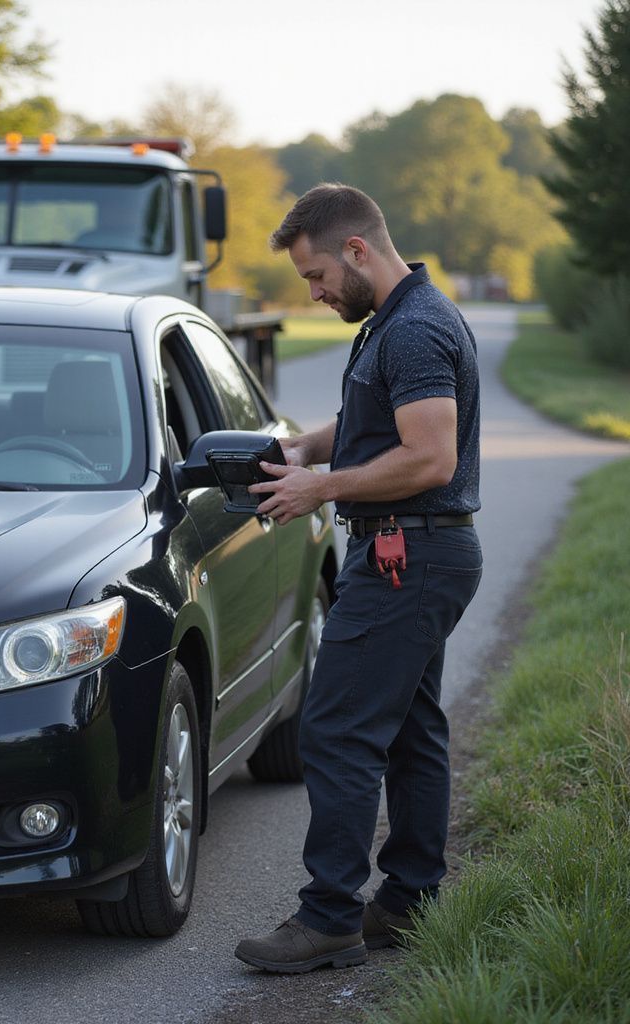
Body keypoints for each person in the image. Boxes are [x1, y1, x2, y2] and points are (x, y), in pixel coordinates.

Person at [234, 184, 482, 974]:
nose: (312, 293)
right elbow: (382, 420)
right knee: (411, 730)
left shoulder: (413, 331)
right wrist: (309, 447)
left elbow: (430, 457)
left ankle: (329, 918)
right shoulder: (399, 321)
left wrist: (322, 487)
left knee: (336, 731)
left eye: (315, 278)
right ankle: (408, 904)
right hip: (418, 552)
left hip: (406, 555)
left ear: (356, 251)